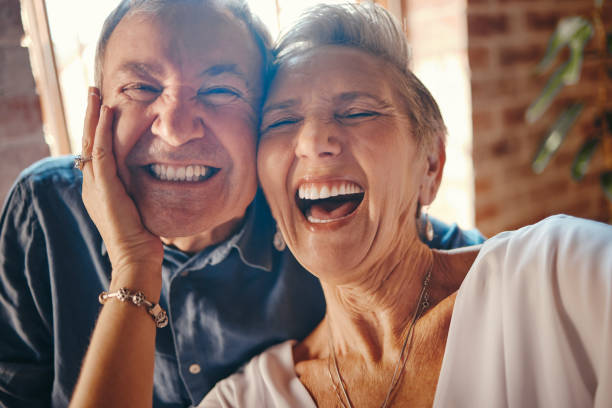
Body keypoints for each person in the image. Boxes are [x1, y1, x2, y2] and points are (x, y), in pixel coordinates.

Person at [71, 2, 612, 407]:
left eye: (358, 113)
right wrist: (135, 264)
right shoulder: (247, 398)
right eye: (281, 122)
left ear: (430, 164)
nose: (314, 141)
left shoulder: (558, 276)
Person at [0, 1, 483, 407]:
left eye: (219, 91)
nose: (176, 125)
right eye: (142, 88)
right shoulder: (43, 211)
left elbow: (428, 254)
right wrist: (133, 267)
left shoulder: (314, 219)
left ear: (260, 123)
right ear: (96, 112)